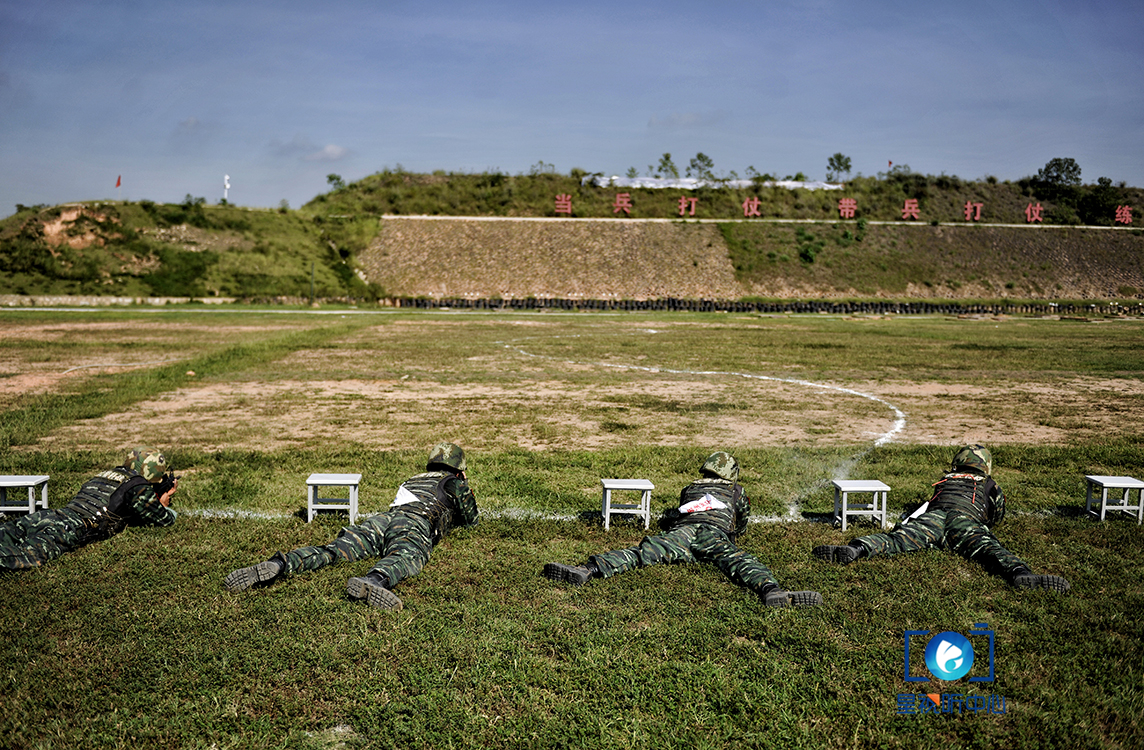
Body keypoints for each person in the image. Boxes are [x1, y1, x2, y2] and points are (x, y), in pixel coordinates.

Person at [542, 452, 822, 608]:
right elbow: (742, 521)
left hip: (682, 532)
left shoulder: (689, 488)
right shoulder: (737, 491)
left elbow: (680, 511)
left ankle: (587, 569)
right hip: (713, 534)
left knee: (642, 552)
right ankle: (771, 590)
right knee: (740, 562)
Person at [224, 442, 479, 611]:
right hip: (413, 524)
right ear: (459, 470)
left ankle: (282, 563)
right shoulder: (454, 482)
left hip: (382, 520)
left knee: (335, 550)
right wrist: (463, 485)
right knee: (405, 555)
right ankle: (374, 580)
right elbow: (471, 520)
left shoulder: (413, 479)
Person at [813, 444, 1070, 592]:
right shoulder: (990, 485)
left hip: (934, 518)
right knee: (990, 548)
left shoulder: (945, 480)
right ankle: (1019, 573)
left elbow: (933, 502)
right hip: (964, 521)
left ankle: (857, 548)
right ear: (985, 467)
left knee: (898, 539)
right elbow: (996, 514)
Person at [0, 447, 178, 571]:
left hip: (55, 514)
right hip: (74, 527)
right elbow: (164, 520)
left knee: (7, 531)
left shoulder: (107, 474)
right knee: (27, 555)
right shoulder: (138, 486)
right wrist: (163, 504)